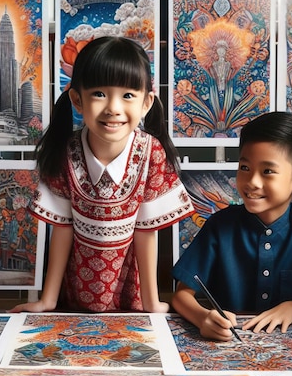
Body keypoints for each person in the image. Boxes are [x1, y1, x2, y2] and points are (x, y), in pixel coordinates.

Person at [11, 36, 194, 314]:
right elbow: (62, 228)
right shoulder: (66, 152)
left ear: (146, 103)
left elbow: (147, 232)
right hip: (74, 293)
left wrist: (152, 302)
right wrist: (47, 300)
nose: (113, 108)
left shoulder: (151, 152)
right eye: (99, 94)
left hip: (130, 293)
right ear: (77, 99)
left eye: (128, 95)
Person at [171, 111, 292, 340]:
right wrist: (202, 318)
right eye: (245, 168)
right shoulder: (220, 226)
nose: (252, 182)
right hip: (229, 340)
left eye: (268, 171)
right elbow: (181, 295)